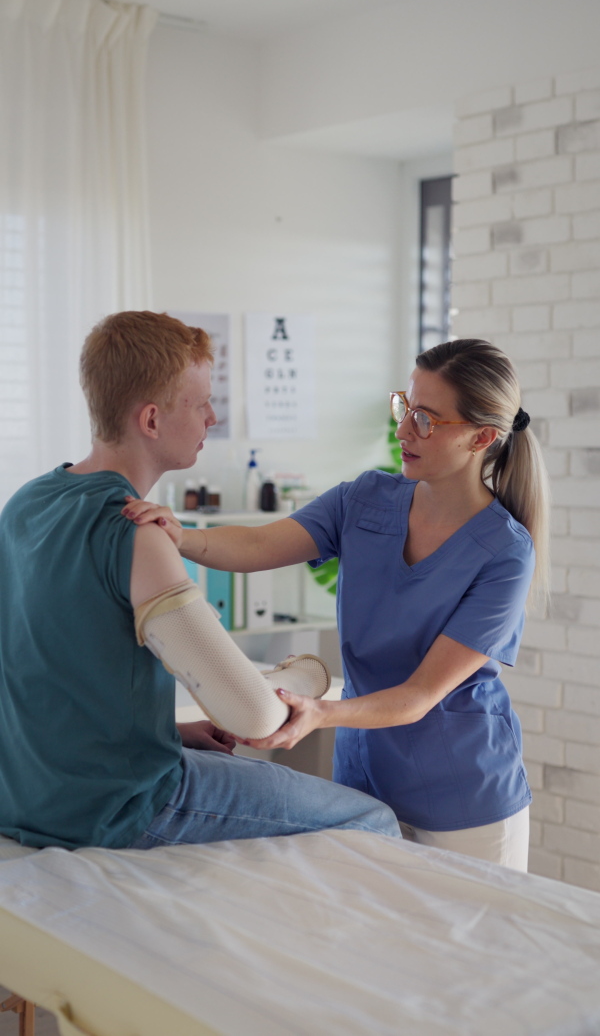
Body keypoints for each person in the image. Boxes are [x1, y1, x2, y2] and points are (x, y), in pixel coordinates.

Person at [124, 338, 550, 871]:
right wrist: (178, 536)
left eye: (425, 419)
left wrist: (320, 713)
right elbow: (260, 545)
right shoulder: (365, 499)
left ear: (481, 437)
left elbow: (420, 694)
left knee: (470, 952)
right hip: (365, 774)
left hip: (464, 795)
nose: (402, 430)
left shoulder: (505, 552)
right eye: (404, 407)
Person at [0, 310, 401, 850]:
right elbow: (254, 716)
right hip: (112, 807)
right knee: (373, 821)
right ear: (150, 420)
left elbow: (52, 669)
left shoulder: (26, 503)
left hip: (24, 793)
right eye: (201, 402)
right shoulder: (135, 531)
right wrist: (307, 675)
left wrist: (165, 733)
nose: (213, 417)